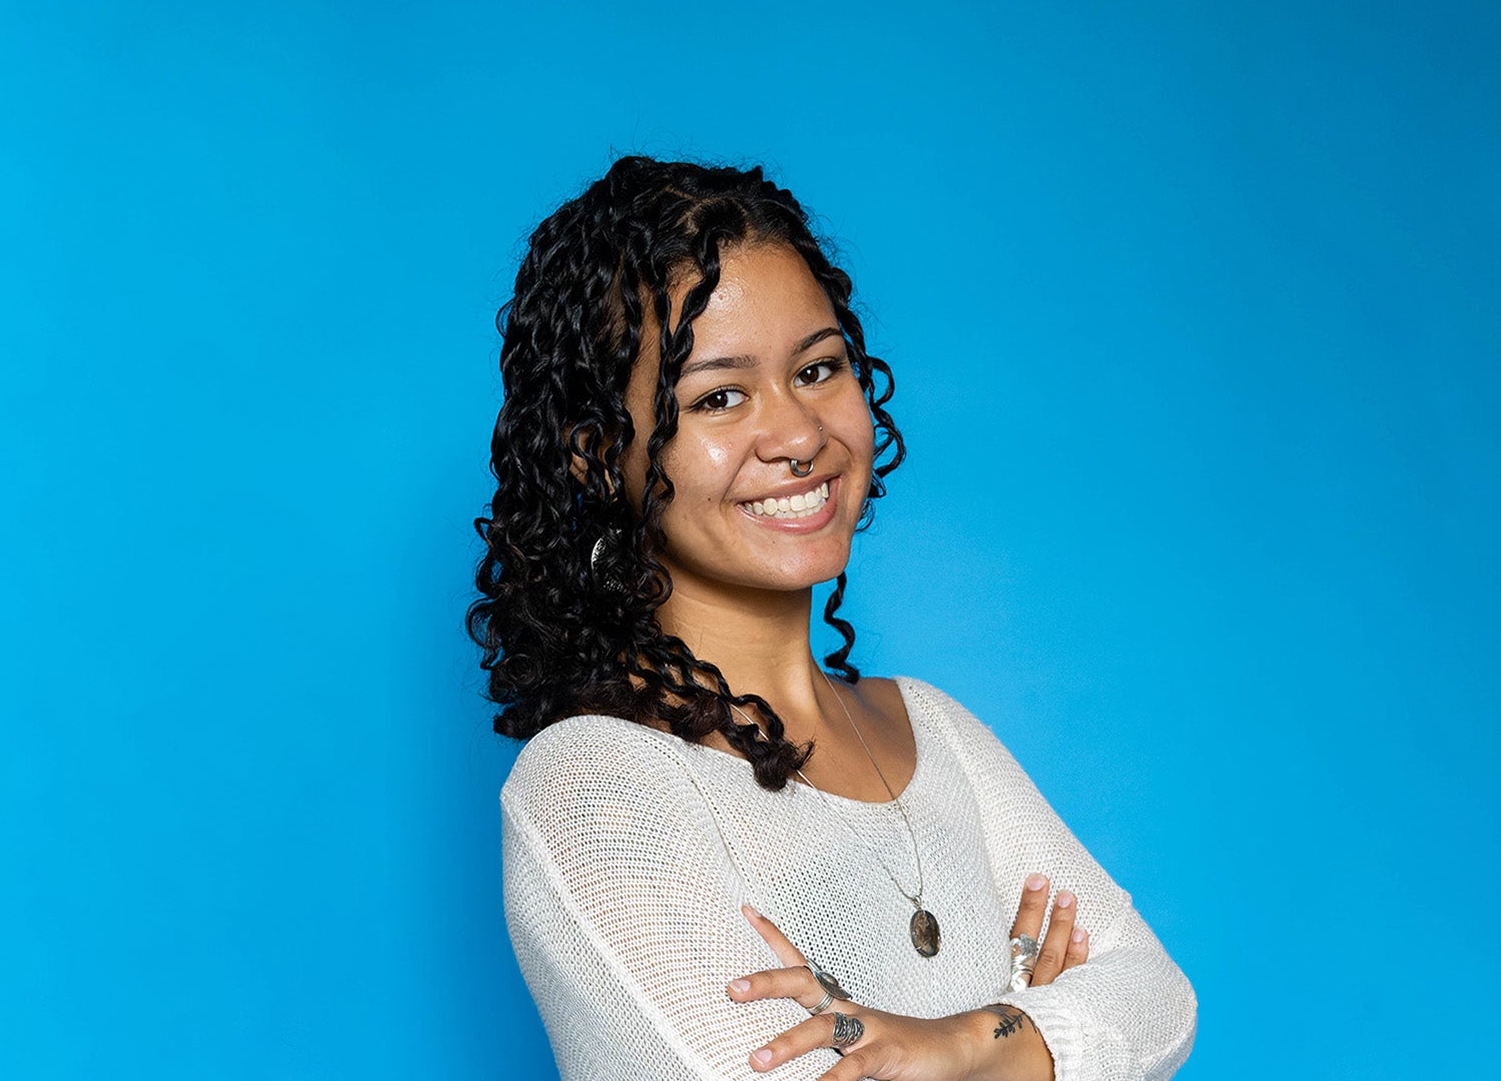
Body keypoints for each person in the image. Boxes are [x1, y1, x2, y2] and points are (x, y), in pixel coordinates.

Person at [468, 156, 1198, 1081]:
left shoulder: (936, 732)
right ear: (593, 454)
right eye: (719, 397)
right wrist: (1041, 1028)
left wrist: (964, 1044)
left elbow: (1159, 997)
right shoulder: (595, 786)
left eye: (817, 369)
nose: (800, 435)